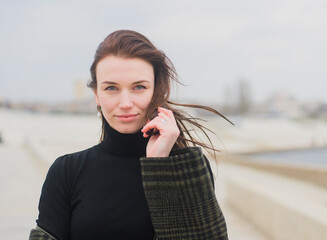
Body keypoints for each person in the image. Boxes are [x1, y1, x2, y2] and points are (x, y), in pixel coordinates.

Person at [29, 30, 229, 240]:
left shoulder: (188, 168)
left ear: (157, 90)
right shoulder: (66, 172)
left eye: (139, 87)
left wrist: (161, 169)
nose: (125, 103)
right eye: (112, 88)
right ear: (97, 94)